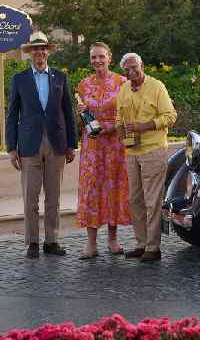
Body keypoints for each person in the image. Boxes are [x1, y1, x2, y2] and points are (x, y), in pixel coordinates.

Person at [5, 31, 77, 258]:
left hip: (56, 143)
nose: (40, 52)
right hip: (29, 145)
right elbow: (12, 115)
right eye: (35, 49)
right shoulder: (20, 79)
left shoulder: (60, 78)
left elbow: (68, 112)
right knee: (30, 197)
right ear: (30, 53)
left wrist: (71, 144)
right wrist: (11, 148)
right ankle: (33, 242)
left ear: (48, 52)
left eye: (43, 48)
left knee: (54, 197)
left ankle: (52, 241)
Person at [116, 52, 177, 262]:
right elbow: (119, 117)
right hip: (131, 151)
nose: (131, 72)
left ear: (142, 65)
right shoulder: (124, 88)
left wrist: (145, 126)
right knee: (135, 200)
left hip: (153, 149)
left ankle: (154, 247)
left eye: (135, 67)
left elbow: (171, 116)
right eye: (127, 69)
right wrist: (120, 130)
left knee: (153, 201)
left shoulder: (157, 86)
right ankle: (141, 244)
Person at [75, 42, 131, 260]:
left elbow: (127, 113)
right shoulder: (83, 85)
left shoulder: (122, 83)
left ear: (109, 57)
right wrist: (81, 114)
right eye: (93, 58)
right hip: (92, 147)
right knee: (92, 190)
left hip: (115, 144)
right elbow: (80, 120)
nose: (97, 61)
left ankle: (113, 240)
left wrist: (109, 126)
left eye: (101, 56)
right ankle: (90, 244)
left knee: (114, 188)